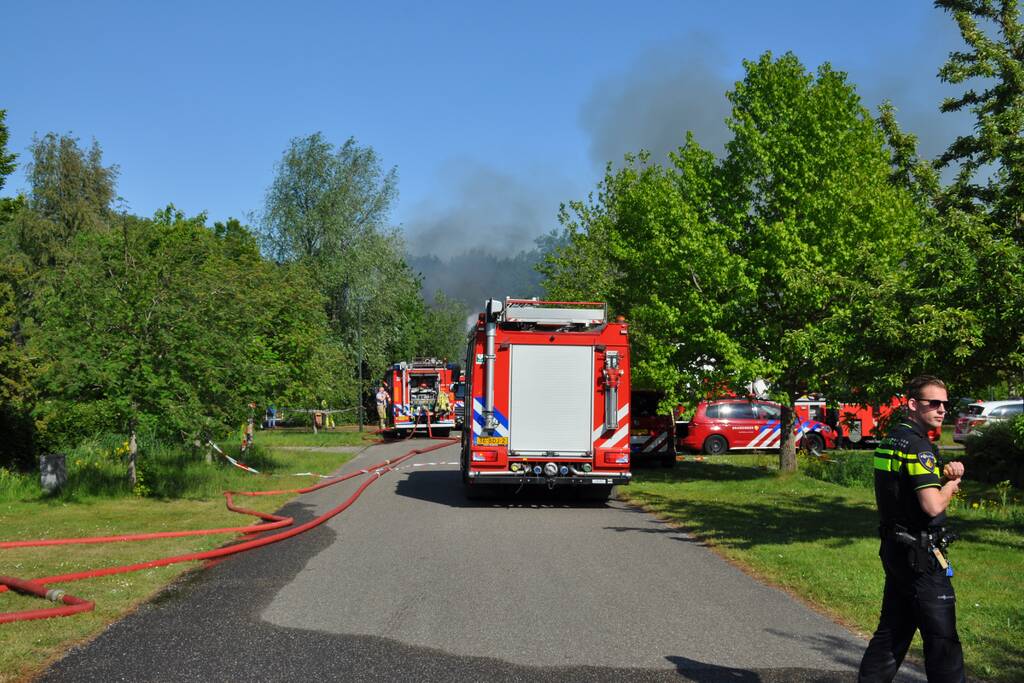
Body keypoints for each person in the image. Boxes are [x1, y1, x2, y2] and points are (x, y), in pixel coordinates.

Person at [858, 375, 966, 683]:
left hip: (895, 549)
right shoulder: (918, 446)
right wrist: (952, 484)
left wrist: (942, 471)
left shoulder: (892, 440)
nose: (942, 409)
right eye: (933, 403)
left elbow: (901, 484)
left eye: (945, 403)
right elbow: (932, 505)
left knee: (892, 634)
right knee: (943, 644)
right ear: (912, 404)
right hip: (922, 558)